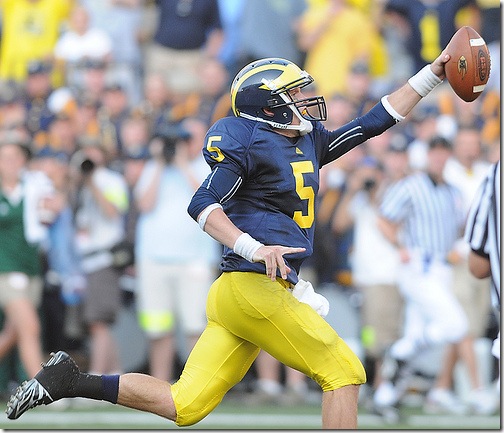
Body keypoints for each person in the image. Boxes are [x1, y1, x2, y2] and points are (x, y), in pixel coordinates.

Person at [6, 49, 452, 428]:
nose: (306, 99)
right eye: (293, 94)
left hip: (240, 294)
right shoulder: (249, 142)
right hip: (253, 285)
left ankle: (68, 380)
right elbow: (201, 203)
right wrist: (253, 246)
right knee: (345, 372)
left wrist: (434, 72)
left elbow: (376, 120)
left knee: (186, 404)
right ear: (270, 106)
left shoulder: (305, 141)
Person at [374, 135, 470, 413]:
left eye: (444, 153)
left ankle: (384, 398)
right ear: (428, 156)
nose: (439, 158)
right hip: (419, 266)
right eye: (435, 153)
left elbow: (459, 231)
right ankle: (401, 352)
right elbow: (383, 218)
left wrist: (458, 248)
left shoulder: (454, 192)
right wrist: (399, 246)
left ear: (448, 156)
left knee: (415, 333)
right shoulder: (412, 186)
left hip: (442, 268)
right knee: (455, 325)